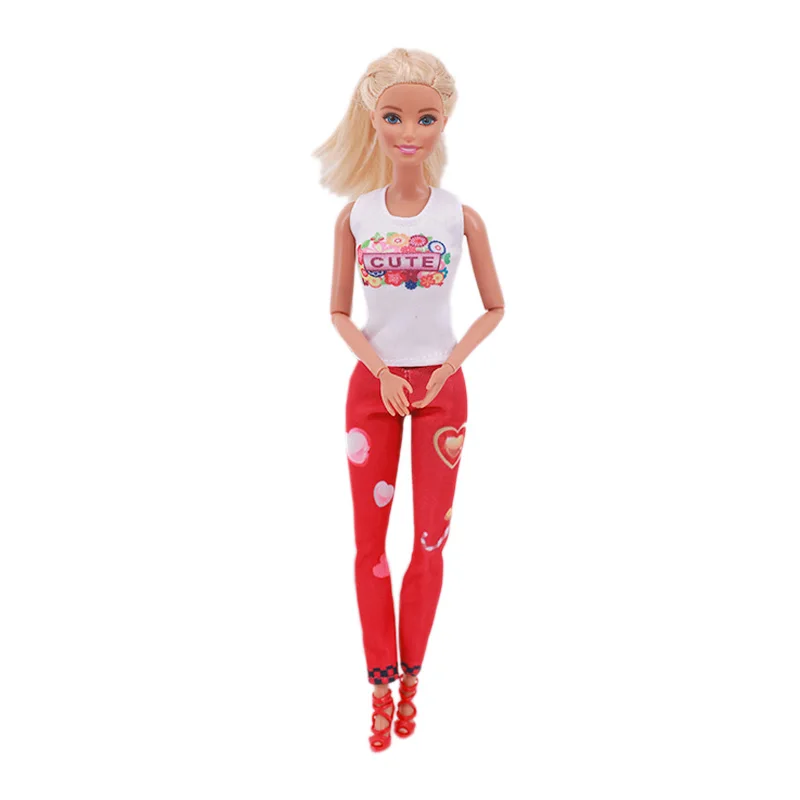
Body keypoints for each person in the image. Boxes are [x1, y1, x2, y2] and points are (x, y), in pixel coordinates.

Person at [313, 47, 505, 752]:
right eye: (394, 116)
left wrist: (447, 368)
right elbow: (339, 312)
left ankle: (413, 677)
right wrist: (382, 371)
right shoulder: (355, 217)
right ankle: (379, 686)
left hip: (441, 393)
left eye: (425, 118)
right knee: (370, 546)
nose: (409, 131)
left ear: (444, 120)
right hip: (374, 390)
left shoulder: (461, 217)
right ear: (373, 117)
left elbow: (495, 307)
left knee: (430, 540)